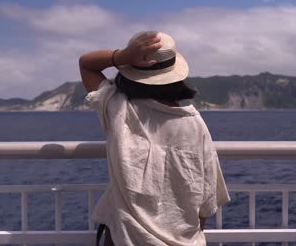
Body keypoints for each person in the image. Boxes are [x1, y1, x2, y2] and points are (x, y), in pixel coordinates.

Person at [79, 31, 231, 246]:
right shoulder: (195, 123)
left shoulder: (118, 108)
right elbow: (206, 202)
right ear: (176, 74)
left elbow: (87, 64)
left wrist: (121, 56)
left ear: (129, 71)